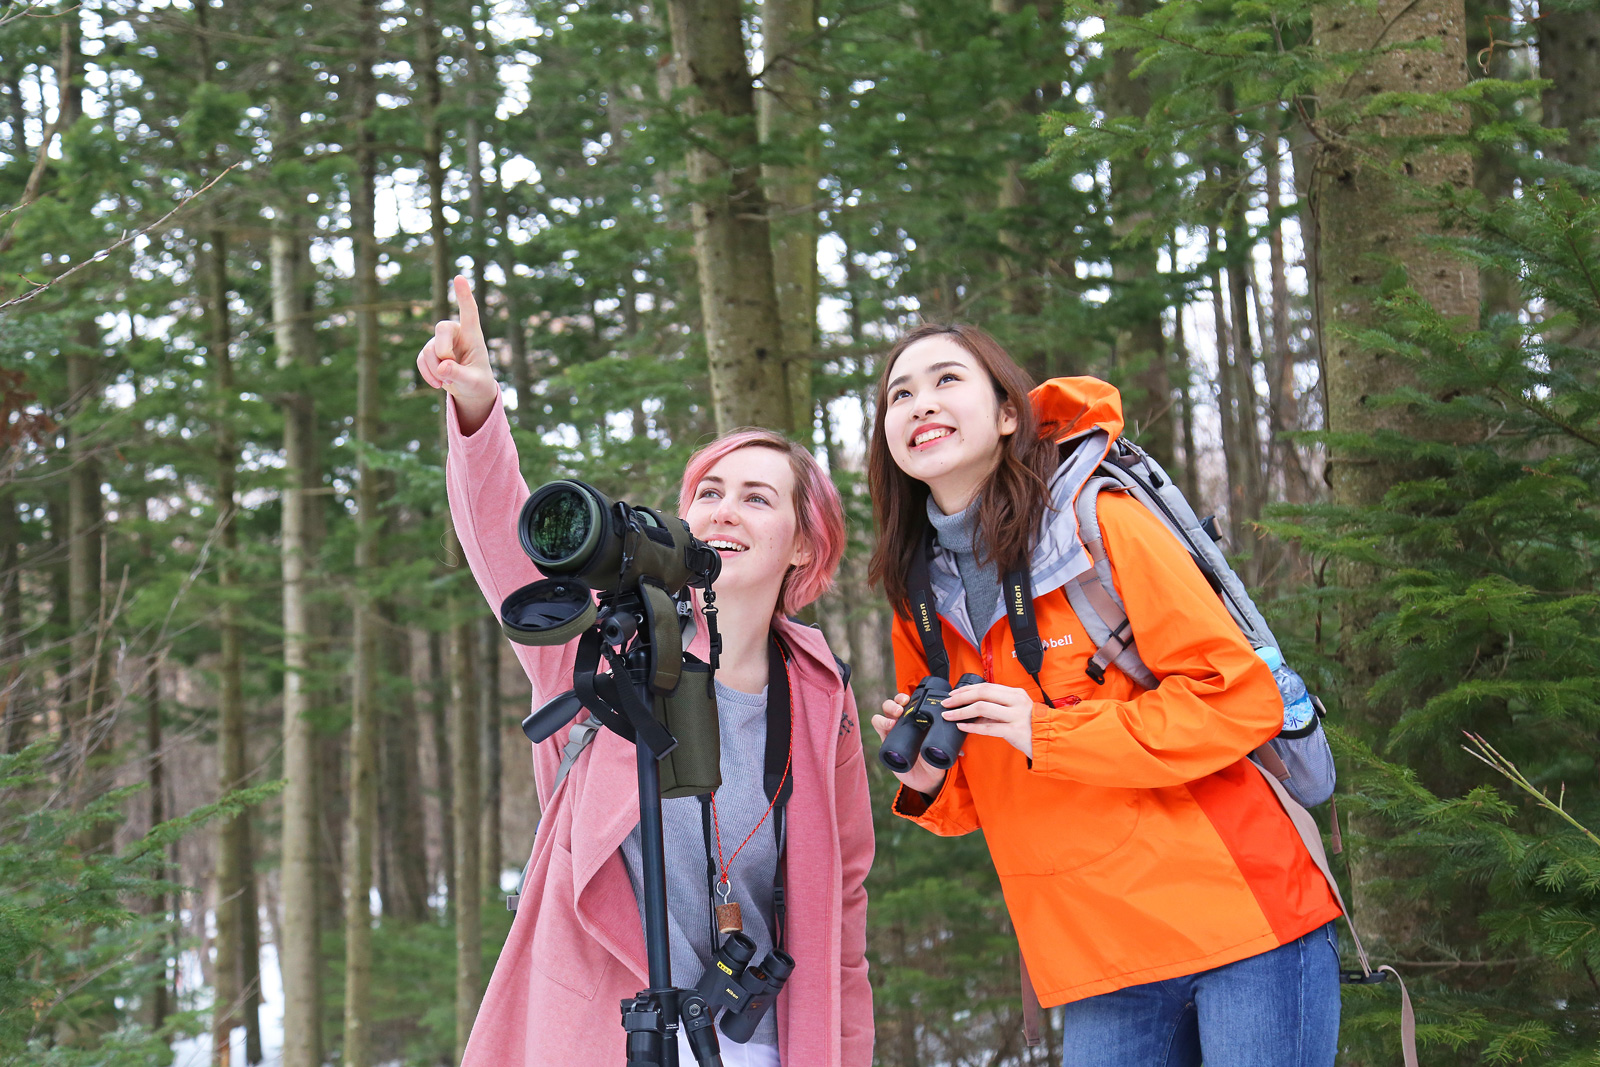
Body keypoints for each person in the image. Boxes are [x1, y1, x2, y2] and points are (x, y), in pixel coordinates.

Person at [417, 276, 874, 1067]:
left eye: (757, 498)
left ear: (804, 543)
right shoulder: (610, 644)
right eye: (709, 492)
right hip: (603, 1029)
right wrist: (478, 410)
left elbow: (841, 910)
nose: (724, 509)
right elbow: (507, 550)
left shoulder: (819, 693)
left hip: (755, 1040)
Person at [866, 323, 1345, 1067]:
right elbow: (982, 800)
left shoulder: (1099, 523)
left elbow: (1238, 697)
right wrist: (929, 783)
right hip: (1098, 958)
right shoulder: (920, 595)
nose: (919, 402)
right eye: (900, 393)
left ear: (1005, 414)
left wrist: (1046, 733)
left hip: (1244, 919)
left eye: (945, 380)